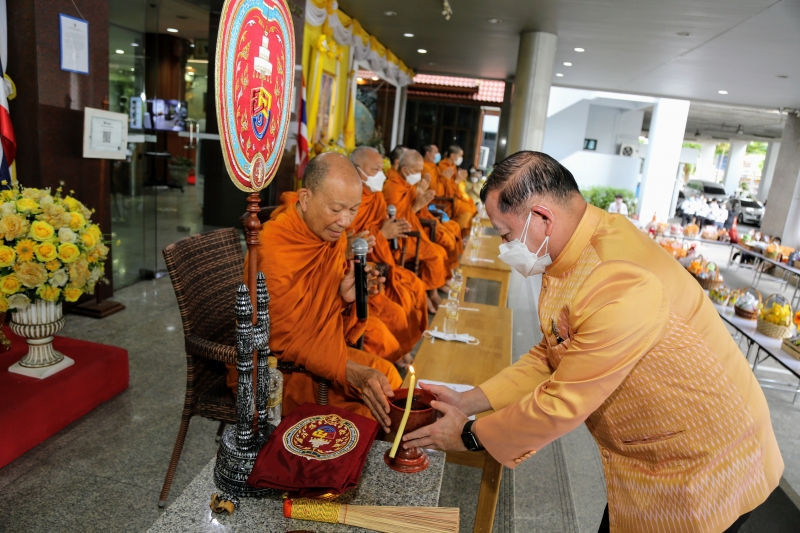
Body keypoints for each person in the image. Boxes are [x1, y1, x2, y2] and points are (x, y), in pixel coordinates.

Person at [404, 151, 782, 533]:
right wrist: (468, 400)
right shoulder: (572, 248)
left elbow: (564, 401)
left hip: (703, 463)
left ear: (542, 218)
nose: (504, 248)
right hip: (649, 455)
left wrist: (468, 435)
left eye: (505, 234)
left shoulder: (620, 277)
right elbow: (552, 352)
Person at [237, 153, 402, 430]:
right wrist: (350, 373)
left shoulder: (328, 236)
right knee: (377, 406)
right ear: (305, 197)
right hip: (276, 374)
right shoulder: (273, 249)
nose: (345, 221)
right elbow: (276, 338)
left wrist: (344, 298)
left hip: (316, 354)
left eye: (353, 209)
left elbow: (320, 314)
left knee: (388, 383)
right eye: (336, 209)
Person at [349, 146, 428, 368]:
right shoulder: (349, 199)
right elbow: (346, 240)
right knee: (397, 310)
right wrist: (382, 234)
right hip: (356, 272)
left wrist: (387, 232)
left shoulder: (375, 198)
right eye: (375, 169)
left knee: (414, 287)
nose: (382, 176)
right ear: (357, 170)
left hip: (379, 262)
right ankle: (394, 355)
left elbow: (383, 227)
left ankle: (402, 349)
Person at [382, 149, 451, 311]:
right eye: (417, 171)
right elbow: (394, 220)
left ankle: (431, 291)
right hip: (400, 238)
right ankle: (430, 295)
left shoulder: (405, 183)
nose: (420, 175)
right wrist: (416, 206)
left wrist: (419, 197)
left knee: (439, 250)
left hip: (412, 232)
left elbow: (416, 211)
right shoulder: (392, 187)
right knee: (434, 255)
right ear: (405, 170)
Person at [436, 145, 479, 234]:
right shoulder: (443, 166)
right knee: (467, 211)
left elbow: (454, 186)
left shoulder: (453, 167)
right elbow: (446, 188)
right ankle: (453, 233)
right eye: (460, 156)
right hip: (447, 200)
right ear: (452, 155)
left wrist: (458, 180)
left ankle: (461, 235)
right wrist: (457, 180)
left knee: (472, 206)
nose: (461, 158)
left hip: (454, 196)